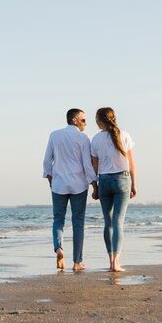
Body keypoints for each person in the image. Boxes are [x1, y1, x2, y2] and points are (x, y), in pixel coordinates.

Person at [43, 108, 98, 272]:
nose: (86, 123)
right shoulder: (83, 138)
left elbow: (47, 161)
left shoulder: (54, 135)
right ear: (74, 120)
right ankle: (77, 262)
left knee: (58, 219)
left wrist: (50, 179)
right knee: (78, 222)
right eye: (83, 120)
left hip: (59, 184)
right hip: (79, 185)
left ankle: (59, 248)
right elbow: (87, 164)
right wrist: (94, 184)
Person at [90, 107, 136, 272]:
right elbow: (131, 164)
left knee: (108, 223)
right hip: (122, 179)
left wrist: (94, 187)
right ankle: (116, 262)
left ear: (100, 120)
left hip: (104, 180)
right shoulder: (124, 135)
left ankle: (110, 260)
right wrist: (134, 184)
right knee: (118, 222)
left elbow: (93, 167)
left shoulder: (95, 139)